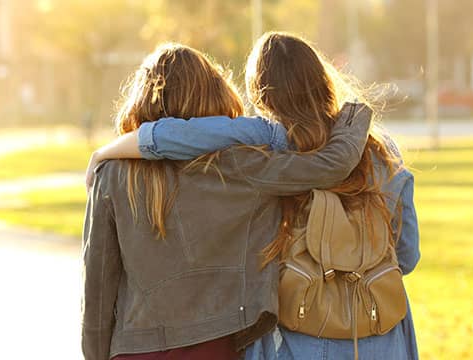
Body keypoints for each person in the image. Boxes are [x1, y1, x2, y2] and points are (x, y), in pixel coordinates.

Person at [85, 33, 420, 360]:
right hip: (380, 327)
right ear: (324, 80)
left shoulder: (265, 141)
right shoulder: (381, 151)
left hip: (297, 329)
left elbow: (186, 134)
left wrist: (110, 151)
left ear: (261, 97)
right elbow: (407, 256)